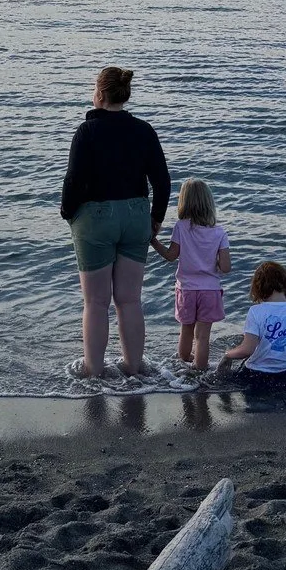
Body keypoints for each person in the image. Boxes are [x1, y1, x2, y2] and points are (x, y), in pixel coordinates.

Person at [61, 65, 170, 379]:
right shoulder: (144, 130)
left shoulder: (87, 132)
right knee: (130, 299)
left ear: (99, 93)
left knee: (96, 302)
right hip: (136, 215)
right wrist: (156, 219)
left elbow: (73, 181)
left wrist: (68, 213)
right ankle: (133, 368)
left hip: (96, 218)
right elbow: (162, 182)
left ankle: (94, 372)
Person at [151, 178, 230, 371]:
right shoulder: (219, 233)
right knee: (202, 336)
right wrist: (214, 261)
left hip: (186, 289)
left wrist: (153, 241)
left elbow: (171, 256)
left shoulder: (181, 227)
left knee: (186, 330)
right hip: (210, 290)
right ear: (209, 203)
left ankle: (183, 365)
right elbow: (226, 267)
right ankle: (200, 373)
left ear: (184, 202)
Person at [216, 260, 286, 392]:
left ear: (258, 287)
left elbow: (247, 350)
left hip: (256, 375)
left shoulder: (255, 311)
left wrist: (227, 355)